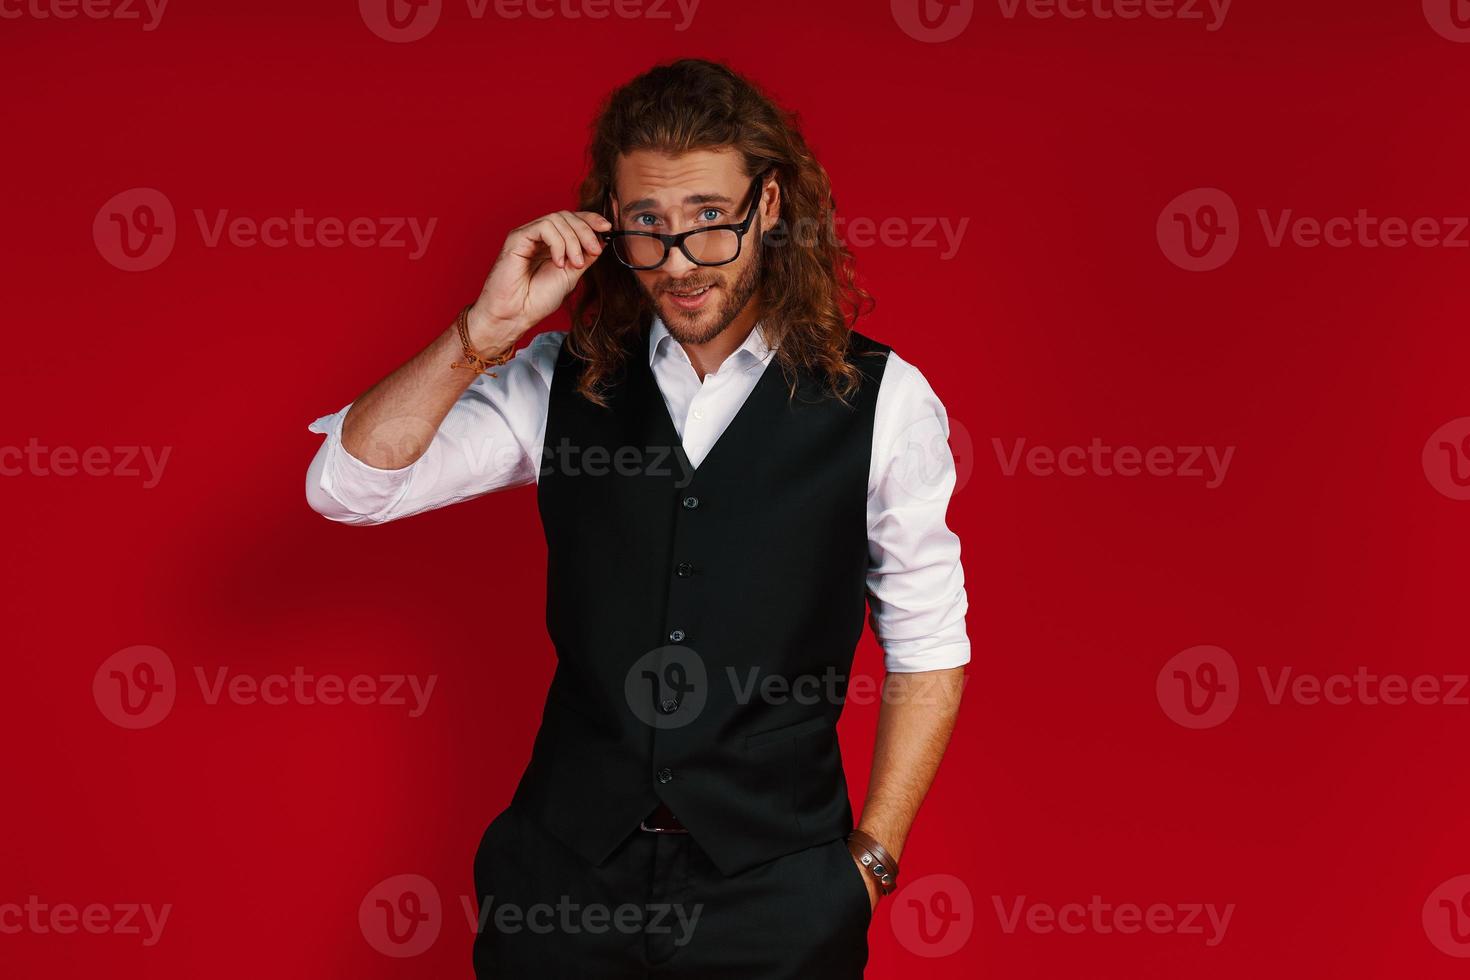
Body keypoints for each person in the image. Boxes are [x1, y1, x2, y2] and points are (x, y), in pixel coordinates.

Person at [305, 57, 969, 980]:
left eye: (709, 220)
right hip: (561, 884)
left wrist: (869, 864)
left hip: (775, 893)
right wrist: (479, 336)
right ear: (609, 222)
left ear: (768, 205)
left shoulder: (882, 399)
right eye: (647, 228)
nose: (680, 263)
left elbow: (928, 644)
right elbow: (346, 486)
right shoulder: (559, 380)